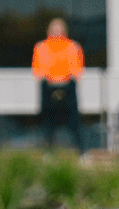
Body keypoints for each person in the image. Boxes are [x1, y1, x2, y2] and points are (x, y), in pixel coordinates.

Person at [32, 17, 86, 152]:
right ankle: (47, 152)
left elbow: (78, 70)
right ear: (49, 30)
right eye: (53, 28)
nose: (56, 31)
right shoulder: (41, 46)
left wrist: (67, 77)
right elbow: (37, 71)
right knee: (48, 124)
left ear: (64, 30)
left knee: (74, 123)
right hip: (48, 88)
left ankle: (81, 152)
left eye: (59, 28)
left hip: (68, 87)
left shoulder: (73, 46)